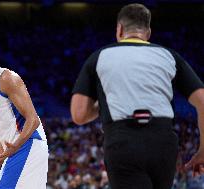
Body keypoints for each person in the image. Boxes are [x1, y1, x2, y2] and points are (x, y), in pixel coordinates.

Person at [71, 3, 204, 189]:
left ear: (119, 30)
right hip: (163, 145)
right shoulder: (170, 56)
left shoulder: (99, 57)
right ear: (148, 32)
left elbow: (79, 114)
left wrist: (106, 103)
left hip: (123, 143)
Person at [0, 43, 48, 189]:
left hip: (29, 144)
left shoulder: (7, 78)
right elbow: (2, 135)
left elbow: (33, 120)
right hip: (14, 150)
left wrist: (15, 147)